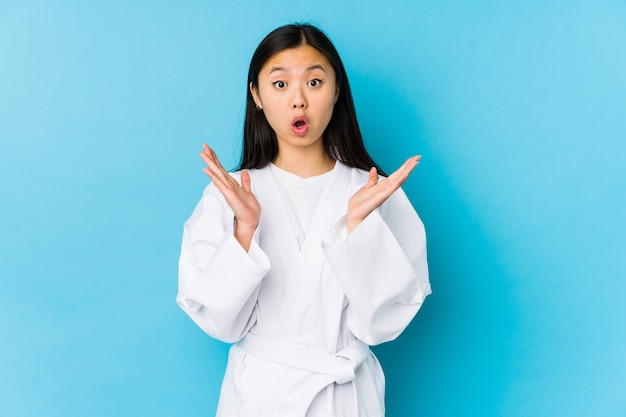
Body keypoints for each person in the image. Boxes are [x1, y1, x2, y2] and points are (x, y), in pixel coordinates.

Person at [177, 23, 431, 417]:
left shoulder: (374, 194)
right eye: (280, 84)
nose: (299, 100)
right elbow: (219, 322)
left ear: (337, 91)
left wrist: (358, 228)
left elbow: (384, 323)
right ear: (256, 95)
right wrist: (244, 231)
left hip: (344, 398)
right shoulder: (228, 196)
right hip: (261, 398)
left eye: (314, 82)